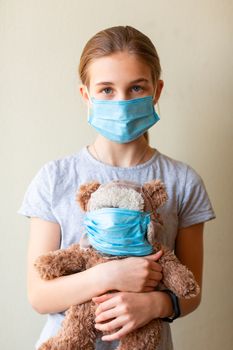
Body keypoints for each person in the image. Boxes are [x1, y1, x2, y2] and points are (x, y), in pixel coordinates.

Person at [18, 25, 216, 350]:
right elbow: (39, 296)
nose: (121, 101)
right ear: (86, 96)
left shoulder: (183, 181)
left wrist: (155, 305)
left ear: (157, 91)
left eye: (136, 88)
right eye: (107, 89)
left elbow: (191, 292)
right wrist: (109, 276)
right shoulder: (54, 178)